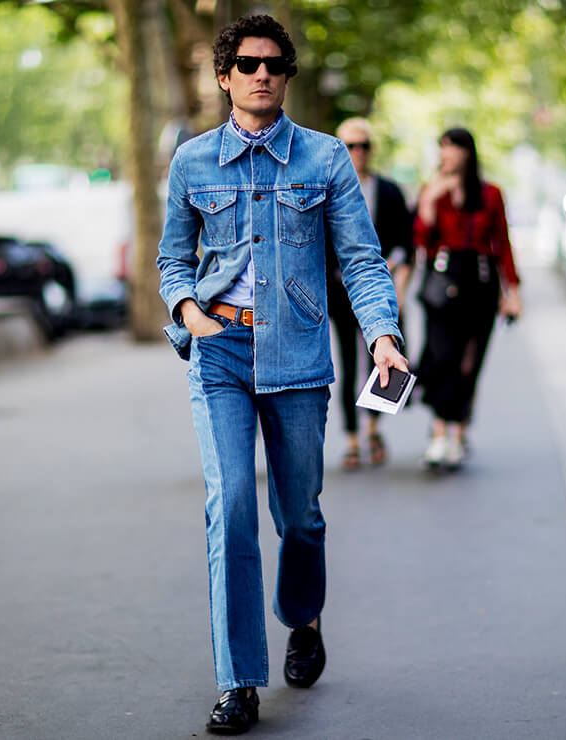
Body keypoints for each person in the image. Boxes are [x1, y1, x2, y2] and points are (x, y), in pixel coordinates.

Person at [157, 14, 407, 735]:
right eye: (247, 63)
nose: (261, 73)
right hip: (220, 355)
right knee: (229, 505)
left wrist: (382, 336)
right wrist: (187, 309)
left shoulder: (326, 159)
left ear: (286, 76)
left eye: (274, 64)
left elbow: (360, 260)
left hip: (298, 358)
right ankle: (238, 679)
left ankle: (302, 615)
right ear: (223, 75)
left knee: (298, 514)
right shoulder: (192, 162)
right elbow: (172, 257)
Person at [413, 127, 522, 469]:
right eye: (442, 147)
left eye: (453, 147)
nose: (446, 154)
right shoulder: (433, 190)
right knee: (441, 357)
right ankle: (438, 433)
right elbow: (421, 239)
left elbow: (502, 243)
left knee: (469, 363)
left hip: (481, 283)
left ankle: (457, 434)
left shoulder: (490, 193)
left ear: (467, 153)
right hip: (443, 284)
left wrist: (513, 292)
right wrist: (430, 200)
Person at [327, 118, 413, 469]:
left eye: (363, 145)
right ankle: (351, 436)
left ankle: (374, 427)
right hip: (340, 294)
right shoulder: (327, 191)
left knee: (382, 367)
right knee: (348, 365)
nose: (357, 153)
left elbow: (407, 247)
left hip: (382, 292)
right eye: (349, 145)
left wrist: (399, 293)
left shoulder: (389, 191)